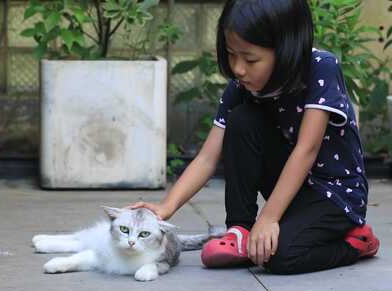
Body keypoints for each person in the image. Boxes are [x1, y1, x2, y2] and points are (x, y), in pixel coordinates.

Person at [129, 0, 379, 274]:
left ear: (286, 51)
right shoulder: (242, 87)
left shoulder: (321, 68)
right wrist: (166, 207)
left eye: (250, 59)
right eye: (231, 54)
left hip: (335, 195)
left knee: (279, 257)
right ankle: (240, 230)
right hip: (290, 188)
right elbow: (207, 158)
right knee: (241, 120)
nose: (238, 68)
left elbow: (306, 150)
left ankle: (356, 242)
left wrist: (270, 218)